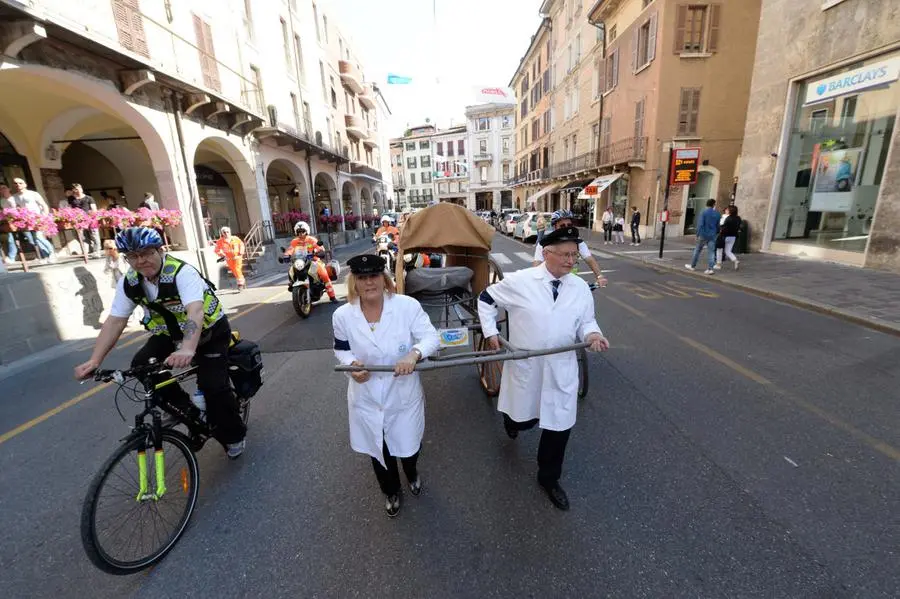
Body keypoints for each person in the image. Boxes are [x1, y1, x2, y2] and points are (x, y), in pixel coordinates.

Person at [73, 227, 247, 458]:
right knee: (141, 366)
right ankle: (184, 410)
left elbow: (195, 311)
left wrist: (187, 348)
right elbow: (115, 321)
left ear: (160, 250)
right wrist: (95, 360)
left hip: (210, 332)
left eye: (146, 253)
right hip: (169, 333)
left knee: (214, 386)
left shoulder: (181, 273)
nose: (141, 261)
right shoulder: (130, 282)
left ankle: (234, 436)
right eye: (133, 256)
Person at [478, 227, 609, 511]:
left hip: (561, 368)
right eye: (565, 254)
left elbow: (587, 321)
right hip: (528, 364)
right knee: (524, 419)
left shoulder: (579, 288)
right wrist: (490, 333)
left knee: (559, 427)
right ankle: (512, 422)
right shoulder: (521, 281)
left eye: (574, 255)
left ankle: (549, 479)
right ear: (546, 254)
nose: (571, 260)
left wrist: (593, 336)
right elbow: (486, 299)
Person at [332, 254, 440, 517]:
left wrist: (413, 354)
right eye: (362, 278)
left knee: (409, 444)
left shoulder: (406, 306)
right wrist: (352, 366)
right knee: (379, 449)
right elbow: (341, 350)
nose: (369, 283)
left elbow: (431, 338)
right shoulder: (342, 315)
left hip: (402, 392)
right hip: (366, 395)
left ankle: (412, 472)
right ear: (354, 283)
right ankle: (390, 490)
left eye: (374, 276)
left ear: (385, 278)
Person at [532, 209, 607, 288]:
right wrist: (536, 284)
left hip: (571, 284)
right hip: (550, 284)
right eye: (562, 226)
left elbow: (590, 259)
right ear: (554, 226)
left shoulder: (577, 241)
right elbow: (537, 265)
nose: (566, 228)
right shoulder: (544, 243)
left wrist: (600, 277)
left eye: (569, 225)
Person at [283, 221, 338, 302]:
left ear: (306, 231)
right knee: (291, 270)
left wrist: (319, 251)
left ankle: (332, 296)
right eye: (299, 232)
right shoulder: (294, 241)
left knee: (324, 274)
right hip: (300, 261)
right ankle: (293, 283)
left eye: (303, 231)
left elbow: (319, 247)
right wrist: (286, 255)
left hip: (314, 260)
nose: (301, 234)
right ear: (296, 232)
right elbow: (291, 249)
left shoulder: (311, 240)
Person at [11, 178, 56, 263]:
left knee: (39, 237)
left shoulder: (33, 194)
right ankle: (45, 256)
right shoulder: (14, 197)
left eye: (20, 183)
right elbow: (15, 209)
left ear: (25, 184)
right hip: (26, 220)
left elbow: (44, 205)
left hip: (37, 218)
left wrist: (44, 217)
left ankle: (52, 253)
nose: (18, 185)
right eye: (16, 183)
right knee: (34, 240)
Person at [686, 199, 721, 275]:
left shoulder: (703, 212)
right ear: (713, 205)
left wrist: (697, 234)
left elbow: (700, 224)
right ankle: (710, 269)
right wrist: (717, 233)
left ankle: (692, 266)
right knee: (711, 252)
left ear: (706, 204)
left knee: (697, 250)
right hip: (712, 235)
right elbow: (718, 226)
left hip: (703, 234)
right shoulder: (717, 214)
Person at [69, 183, 102, 257]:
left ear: (81, 189)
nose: (78, 191)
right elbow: (71, 209)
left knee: (94, 235)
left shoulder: (89, 198)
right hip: (79, 221)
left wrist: (92, 216)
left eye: (79, 189)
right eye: (75, 189)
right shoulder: (72, 199)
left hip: (90, 219)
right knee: (82, 236)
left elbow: (94, 209)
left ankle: (97, 251)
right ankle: (88, 251)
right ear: (73, 190)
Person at [214, 226, 246, 291]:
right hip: (229, 259)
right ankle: (242, 281)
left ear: (230, 232)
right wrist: (222, 255)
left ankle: (240, 284)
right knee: (234, 271)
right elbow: (216, 250)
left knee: (237, 269)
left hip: (237, 257)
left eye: (227, 232)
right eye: (224, 232)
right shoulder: (220, 241)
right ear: (222, 233)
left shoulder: (235, 238)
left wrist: (241, 252)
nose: (226, 233)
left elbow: (241, 244)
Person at [715, 205, 742, 271]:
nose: (726, 210)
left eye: (727, 209)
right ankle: (735, 260)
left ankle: (718, 265)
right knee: (728, 251)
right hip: (733, 237)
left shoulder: (727, 218)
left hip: (724, 236)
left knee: (719, 250)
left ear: (730, 211)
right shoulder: (738, 218)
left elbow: (722, 226)